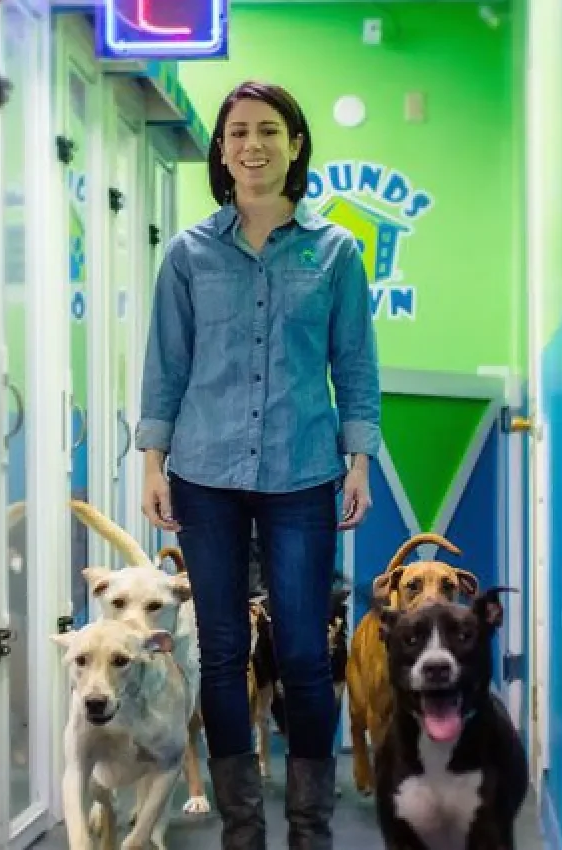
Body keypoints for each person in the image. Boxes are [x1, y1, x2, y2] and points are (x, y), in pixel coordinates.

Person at [136, 80, 380, 850]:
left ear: (295, 144)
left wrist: (358, 461)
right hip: (203, 474)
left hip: (303, 473)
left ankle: (310, 829)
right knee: (222, 653)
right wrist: (152, 461)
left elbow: (355, 365)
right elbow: (166, 365)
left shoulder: (335, 251)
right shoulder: (188, 253)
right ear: (221, 148)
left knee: (308, 654)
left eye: (269, 131)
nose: (252, 145)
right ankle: (244, 831)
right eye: (237, 131)